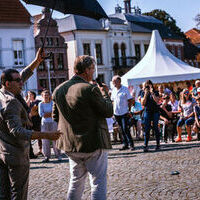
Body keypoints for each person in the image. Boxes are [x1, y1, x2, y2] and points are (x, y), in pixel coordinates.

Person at [0, 48, 62, 200]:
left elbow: (22, 75)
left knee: (4, 194)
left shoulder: (3, 92)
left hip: (3, 152)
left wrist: (37, 61)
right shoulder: (11, 102)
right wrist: (46, 135)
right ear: (8, 83)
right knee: (18, 194)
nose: (22, 83)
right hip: (16, 154)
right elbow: (18, 131)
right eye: (18, 81)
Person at [52, 55, 113, 200]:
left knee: (76, 181)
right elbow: (108, 111)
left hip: (70, 145)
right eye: (92, 69)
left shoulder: (58, 90)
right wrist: (105, 94)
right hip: (92, 142)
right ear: (86, 70)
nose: (93, 72)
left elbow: (56, 117)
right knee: (98, 181)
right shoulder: (90, 89)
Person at [111, 75, 134, 151]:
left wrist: (129, 110)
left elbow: (130, 100)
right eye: (113, 81)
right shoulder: (113, 90)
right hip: (116, 113)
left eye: (115, 81)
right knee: (121, 129)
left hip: (124, 112)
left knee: (125, 128)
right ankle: (125, 144)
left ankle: (131, 144)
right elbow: (113, 101)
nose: (113, 83)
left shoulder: (125, 89)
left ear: (119, 81)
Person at [38, 89, 62, 163]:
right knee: (45, 140)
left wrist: (47, 114)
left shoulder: (53, 103)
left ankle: (58, 155)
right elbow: (41, 114)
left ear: (49, 96)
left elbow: (54, 113)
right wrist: (49, 114)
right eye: (44, 95)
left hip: (53, 122)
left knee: (55, 138)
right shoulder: (40, 104)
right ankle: (46, 156)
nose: (46, 96)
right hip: (44, 123)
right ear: (42, 96)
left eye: (47, 95)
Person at [141, 80, 160, 152]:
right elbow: (143, 103)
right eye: (147, 85)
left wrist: (152, 93)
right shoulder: (143, 92)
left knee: (155, 127)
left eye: (149, 85)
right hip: (147, 111)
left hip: (155, 111)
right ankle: (145, 145)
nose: (148, 86)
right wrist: (146, 94)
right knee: (147, 128)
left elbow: (157, 101)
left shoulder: (155, 92)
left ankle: (158, 144)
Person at [26, 90, 42, 156]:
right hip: (29, 121)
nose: (29, 96)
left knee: (39, 135)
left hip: (37, 120)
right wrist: (28, 99)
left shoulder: (38, 102)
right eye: (28, 95)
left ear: (34, 95)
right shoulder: (27, 102)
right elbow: (26, 106)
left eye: (31, 94)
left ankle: (41, 150)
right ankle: (30, 151)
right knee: (29, 135)